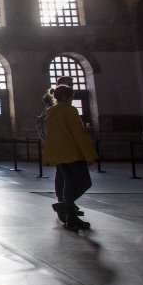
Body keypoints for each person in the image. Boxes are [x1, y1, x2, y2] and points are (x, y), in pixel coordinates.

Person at [43, 85, 97, 231]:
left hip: (60, 153)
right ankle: (66, 207)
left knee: (69, 183)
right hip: (73, 153)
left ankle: (71, 219)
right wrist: (89, 155)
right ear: (67, 97)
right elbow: (78, 135)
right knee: (85, 182)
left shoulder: (50, 112)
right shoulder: (69, 110)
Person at [38, 76, 85, 223]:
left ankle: (67, 204)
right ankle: (65, 203)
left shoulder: (60, 107)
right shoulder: (54, 107)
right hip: (63, 147)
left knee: (67, 177)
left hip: (63, 147)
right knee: (68, 177)